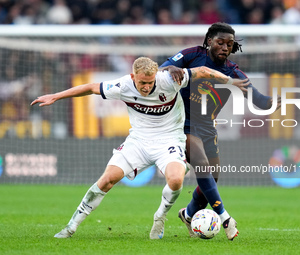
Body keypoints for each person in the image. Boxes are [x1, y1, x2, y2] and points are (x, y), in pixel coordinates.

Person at [31, 56, 248, 239]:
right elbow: (90, 88)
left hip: (169, 140)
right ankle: (71, 227)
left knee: (176, 179)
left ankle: (159, 218)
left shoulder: (170, 79)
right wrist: (55, 96)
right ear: (133, 77)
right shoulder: (123, 85)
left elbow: (200, 70)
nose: (146, 87)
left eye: (150, 82)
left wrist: (230, 81)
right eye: (142, 83)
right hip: (138, 141)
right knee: (107, 180)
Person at [159, 22, 281, 240]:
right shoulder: (192, 55)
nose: (225, 47)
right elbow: (162, 68)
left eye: (229, 44)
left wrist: (271, 102)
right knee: (202, 166)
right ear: (209, 41)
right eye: (220, 42)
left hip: (207, 128)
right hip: (181, 124)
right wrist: (172, 68)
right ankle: (225, 218)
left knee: (212, 177)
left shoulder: (233, 72)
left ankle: (187, 215)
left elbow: (258, 100)